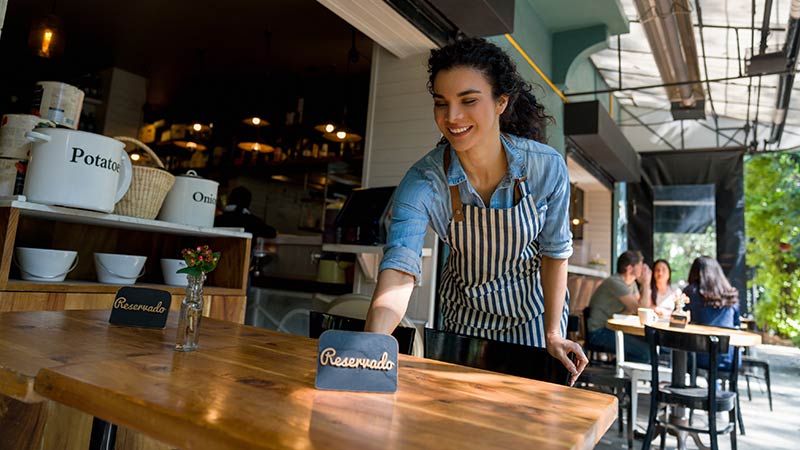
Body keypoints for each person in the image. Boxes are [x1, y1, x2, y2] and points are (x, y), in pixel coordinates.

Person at [364, 37, 587, 385]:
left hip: (532, 322)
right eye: (441, 103)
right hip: (462, 324)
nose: (452, 117)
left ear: (501, 102)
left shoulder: (546, 168)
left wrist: (554, 333)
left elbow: (555, 254)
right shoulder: (423, 181)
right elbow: (399, 268)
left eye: (468, 100)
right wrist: (371, 347)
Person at [586, 250, 652, 363]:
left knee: (649, 344)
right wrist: (646, 283)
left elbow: (642, 309)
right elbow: (641, 310)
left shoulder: (631, 284)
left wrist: (643, 287)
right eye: (640, 265)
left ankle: (619, 366)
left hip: (613, 329)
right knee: (644, 352)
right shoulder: (615, 282)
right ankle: (620, 374)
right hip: (598, 332)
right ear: (630, 268)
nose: (643, 268)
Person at [683, 256, 740, 372]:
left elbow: (682, 320)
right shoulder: (730, 295)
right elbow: (736, 324)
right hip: (729, 358)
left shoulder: (692, 292)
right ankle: (716, 389)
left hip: (699, 357)